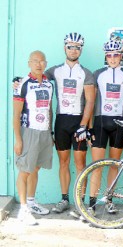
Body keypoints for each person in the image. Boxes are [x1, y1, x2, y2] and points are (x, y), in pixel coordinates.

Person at [45, 33, 95, 217]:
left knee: (80, 163)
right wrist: (20, 80)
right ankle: (65, 198)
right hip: (61, 121)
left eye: (77, 47)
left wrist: (84, 125)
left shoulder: (86, 73)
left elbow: (90, 101)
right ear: (64, 47)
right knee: (63, 162)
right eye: (70, 46)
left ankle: (80, 202)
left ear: (81, 50)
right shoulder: (55, 71)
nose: (73, 50)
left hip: (78, 121)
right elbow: (38, 77)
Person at [86, 38, 123, 216]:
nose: (113, 58)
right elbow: (90, 102)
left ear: (121, 56)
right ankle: (91, 203)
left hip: (120, 124)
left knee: (114, 165)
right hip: (100, 122)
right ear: (105, 57)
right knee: (97, 165)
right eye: (110, 55)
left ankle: (108, 200)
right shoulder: (97, 74)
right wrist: (90, 127)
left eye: (116, 55)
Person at [13, 50, 54, 225]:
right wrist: (18, 139)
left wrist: (50, 132)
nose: (39, 64)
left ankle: (31, 202)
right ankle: (23, 210)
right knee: (25, 171)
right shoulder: (23, 84)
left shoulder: (49, 84)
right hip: (29, 131)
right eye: (35, 61)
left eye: (42, 61)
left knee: (36, 169)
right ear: (29, 63)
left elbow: (49, 109)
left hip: (44, 132)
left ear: (45, 63)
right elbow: (16, 114)